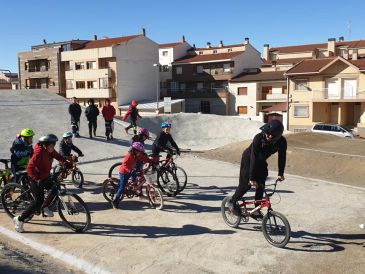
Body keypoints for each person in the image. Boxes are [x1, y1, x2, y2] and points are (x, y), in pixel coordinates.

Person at [228, 119, 287, 219]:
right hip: (249, 159)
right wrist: (251, 178)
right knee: (246, 185)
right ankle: (232, 201)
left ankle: (256, 211)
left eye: (271, 135)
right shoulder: (258, 138)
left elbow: (282, 157)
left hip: (261, 160)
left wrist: (281, 173)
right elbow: (253, 157)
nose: (268, 136)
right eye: (267, 133)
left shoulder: (282, 142)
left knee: (261, 185)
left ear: (277, 136)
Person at [13, 134, 69, 233]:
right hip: (35, 178)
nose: (53, 148)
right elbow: (30, 168)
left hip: (44, 175)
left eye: (53, 145)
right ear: (45, 145)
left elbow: (57, 156)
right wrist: (37, 179)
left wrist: (66, 162)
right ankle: (19, 219)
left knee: (55, 188)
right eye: (51, 146)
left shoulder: (49, 150)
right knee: (38, 201)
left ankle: (45, 207)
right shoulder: (39, 153)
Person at [112, 142, 151, 209]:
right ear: (134, 151)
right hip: (124, 172)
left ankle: (132, 189)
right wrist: (130, 171)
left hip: (131, 170)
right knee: (122, 188)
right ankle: (115, 201)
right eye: (139, 152)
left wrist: (150, 161)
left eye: (141, 152)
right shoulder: (129, 156)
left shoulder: (136, 155)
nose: (140, 153)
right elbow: (124, 165)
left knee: (135, 178)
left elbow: (143, 158)